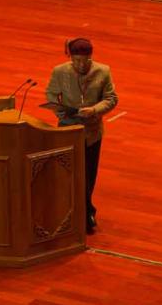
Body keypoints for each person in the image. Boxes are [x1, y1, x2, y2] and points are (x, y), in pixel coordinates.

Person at [45, 38, 118, 234]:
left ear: (90, 57)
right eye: (76, 61)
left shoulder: (103, 71)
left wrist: (94, 110)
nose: (80, 65)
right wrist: (62, 113)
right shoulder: (60, 72)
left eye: (84, 61)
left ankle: (84, 211)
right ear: (70, 57)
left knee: (88, 175)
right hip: (68, 130)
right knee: (70, 174)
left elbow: (111, 98)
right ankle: (83, 213)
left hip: (92, 132)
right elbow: (51, 95)